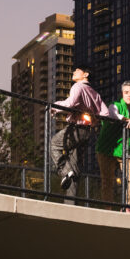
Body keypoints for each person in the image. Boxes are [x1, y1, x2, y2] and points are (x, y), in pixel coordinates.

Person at [50, 65, 109, 201]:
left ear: (85, 74)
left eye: (77, 70)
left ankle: (64, 171)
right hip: (87, 132)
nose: (73, 72)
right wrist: (94, 120)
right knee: (74, 170)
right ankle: (70, 205)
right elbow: (105, 113)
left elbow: (70, 103)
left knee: (54, 144)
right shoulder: (95, 93)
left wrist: (54, 108)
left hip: (76, 128)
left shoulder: (78, 87)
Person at [95, 81, 130, 209]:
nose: (129, 95)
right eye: (126, 92)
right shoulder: (114, 105)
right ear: (122, 94)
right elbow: (114, 114)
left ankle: (127, 206)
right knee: (107, 181)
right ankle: (108, 208)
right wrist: (128, 120)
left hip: (127, 149)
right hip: (108, 148)